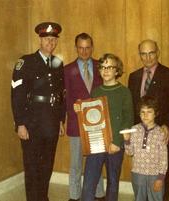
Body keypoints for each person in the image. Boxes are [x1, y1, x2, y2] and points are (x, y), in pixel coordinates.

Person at [11, 22, 65, 201]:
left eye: (53, 39)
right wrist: (20, 123)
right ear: (40, 40)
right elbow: (17, 94)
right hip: (32, 123)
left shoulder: (58, 63)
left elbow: (61, 94)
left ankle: (43, 197)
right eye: (46, 39)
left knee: (47, 164)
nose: (50, 42)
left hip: (51, 122)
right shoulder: (25, 62)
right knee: (32, 166)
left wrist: (60, 121)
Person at [128, 39, 169, 201]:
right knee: (142, 177)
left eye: (151, 53)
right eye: (143, 54)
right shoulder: (134, 76)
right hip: (140, 136)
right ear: (140, 55)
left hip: (161, 134)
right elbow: (133, 108)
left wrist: (167, 125)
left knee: (160, 177)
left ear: (158, 52)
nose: (148, 57)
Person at [81, 53, 134, 201]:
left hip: (115, 144)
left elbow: (128, 118)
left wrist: (117, 142)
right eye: (103, 67)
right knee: (89, 181)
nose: (105, 70)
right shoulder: (96, 91)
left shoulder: (124, 92)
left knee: (113, 182)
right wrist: (81, 110)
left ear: (117, 71)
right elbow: (91, 118)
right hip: (97, 143)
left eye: (110, 67)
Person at [64, 33, 105, 201]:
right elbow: (65, 98)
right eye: (81, 48)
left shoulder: (101, 66)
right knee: (76, 164)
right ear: (76, 48)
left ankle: (99, 195)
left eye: (88, 47)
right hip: (76, 124)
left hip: (97, 124)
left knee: (96, 162)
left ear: (92, 47)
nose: (84, 51)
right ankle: (74, 196)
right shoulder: (67, 70)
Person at [123, 96, 168, 201]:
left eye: (149, 112)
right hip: (138, 173)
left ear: (156, 113)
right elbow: (129, 152)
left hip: (155, 175)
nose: (145, 115)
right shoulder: (134, 129)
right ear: (139, 113)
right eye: (142, 112)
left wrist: (160, 178)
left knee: (156, 198)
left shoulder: (161, 132)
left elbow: (163, 158)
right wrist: (127, 140)